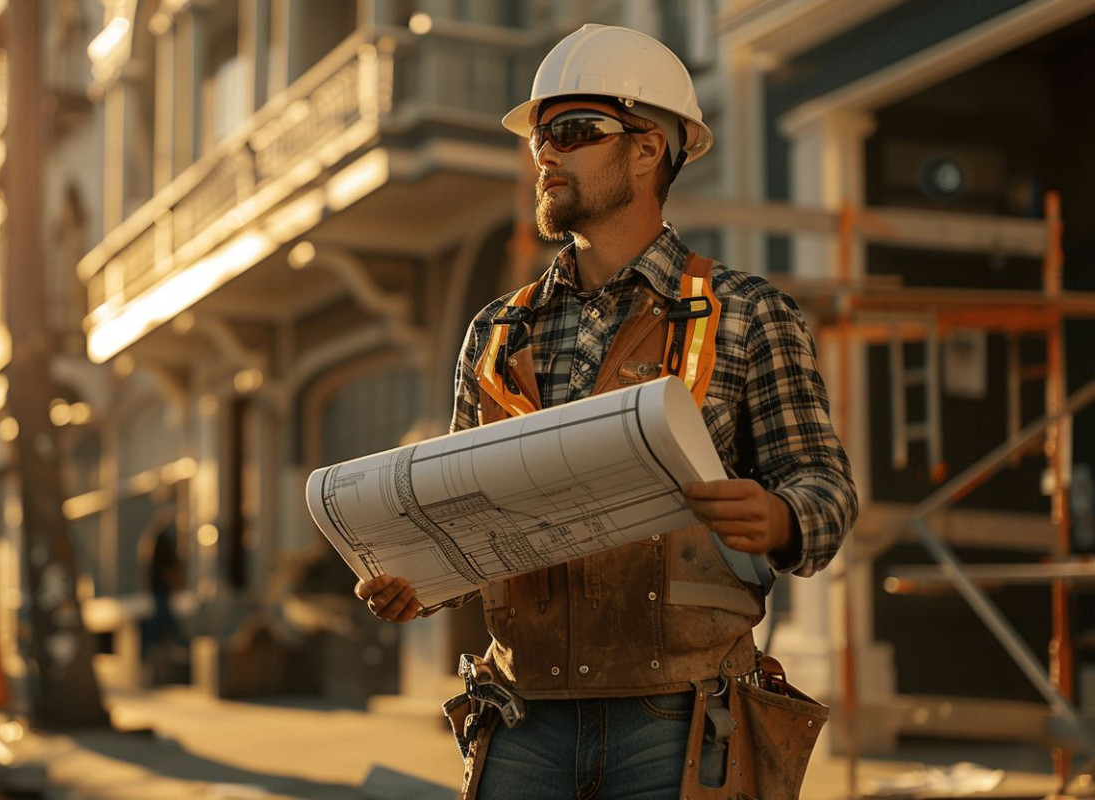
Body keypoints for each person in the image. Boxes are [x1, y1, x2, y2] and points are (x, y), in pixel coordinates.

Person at [353, 23, 858, 799]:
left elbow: (824, 487)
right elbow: (461, 526)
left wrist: (781, 517)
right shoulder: (493, 333)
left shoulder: (749, 313)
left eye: (572, 132)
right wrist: (418, 583)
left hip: (679, 719)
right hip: (521, 718)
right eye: (539, 140)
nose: (546, 155)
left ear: (649, 147)